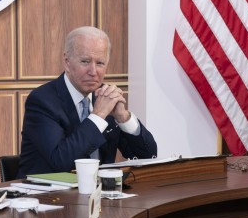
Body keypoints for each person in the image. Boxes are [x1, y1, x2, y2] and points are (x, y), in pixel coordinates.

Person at [18, 25, 157, 177]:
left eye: (100, 63)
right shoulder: (42, 101)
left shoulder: (105, 97)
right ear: (67, 62)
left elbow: (148, 156)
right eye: (85, 61)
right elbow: (61, 161)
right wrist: (98, 116)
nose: (93, 72)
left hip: (99, 195)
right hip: (46, 196)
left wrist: (123, 117)